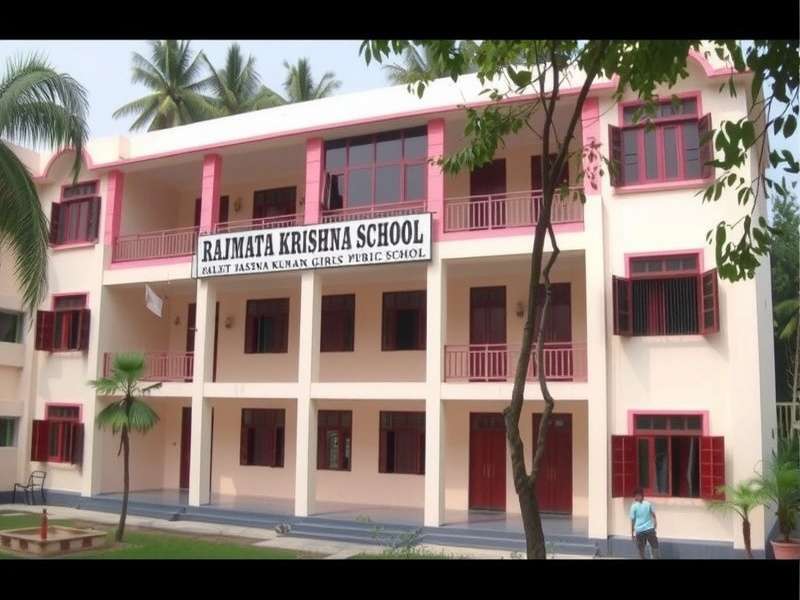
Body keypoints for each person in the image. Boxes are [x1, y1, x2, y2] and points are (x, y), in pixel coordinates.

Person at [630, 488, 660, 559]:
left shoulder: (634, 506)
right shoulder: (648, 504)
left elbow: (633, 520)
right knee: (654, 547)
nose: (635, 497)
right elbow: (653, 514)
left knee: (641, 550)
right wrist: (655, 522)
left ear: (639, 495)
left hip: (641, 531)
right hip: (648, 530)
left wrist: (632, 533)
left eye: (635, 496)